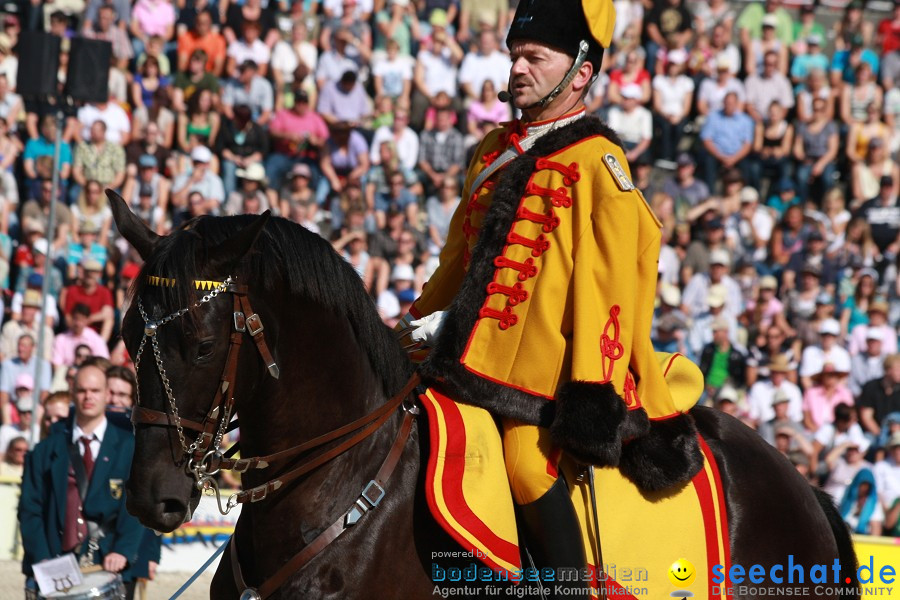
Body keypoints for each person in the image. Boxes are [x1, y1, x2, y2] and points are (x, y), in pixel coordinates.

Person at [401, 2, 703, 596]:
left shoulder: (599, 161)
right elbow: (458, 258)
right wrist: (416, 321)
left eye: (535, 58)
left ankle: (571, 591)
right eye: (515, 56)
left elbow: (615, 285)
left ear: (581, 73)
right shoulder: (492, 148)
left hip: (547, 370)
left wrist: (592, 389)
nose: (518, 69)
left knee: (519, 465)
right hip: (464, 350)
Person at [19, 364, 144, 598]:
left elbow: (136, 505)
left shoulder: (130, 447)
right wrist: (43, 558)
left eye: (95, 390)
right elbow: (30, 509)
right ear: (73, 393)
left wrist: (122, 551)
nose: (88, 397)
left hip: (108, 563)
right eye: (82, 390)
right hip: (55, 564)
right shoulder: (45, 451)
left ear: (107, 394)